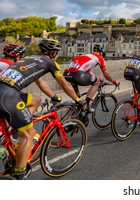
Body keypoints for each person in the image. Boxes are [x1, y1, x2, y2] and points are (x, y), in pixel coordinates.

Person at [0, 39, 84, 179]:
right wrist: (78, 100)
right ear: (53, 53)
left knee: (36, 100)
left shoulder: (28, 59)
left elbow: (40, 81)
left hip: (4, 91)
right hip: (8, 96)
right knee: (29, 134)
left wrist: (53, 96)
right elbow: (64, 84)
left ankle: (14, 137)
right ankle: (19, 175)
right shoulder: (50, 62)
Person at [63, 44, 120, 112]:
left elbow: (87, 70)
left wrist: (95, 77)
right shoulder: (99, 57)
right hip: (77, 74)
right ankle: (87, 104)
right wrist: (113, 81)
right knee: (97, 82)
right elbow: (106, 74)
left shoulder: (86, 55)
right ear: (101, 53)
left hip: (66, 74)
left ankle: (70, 120)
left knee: (77, 99)